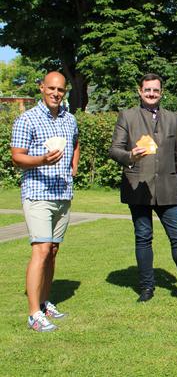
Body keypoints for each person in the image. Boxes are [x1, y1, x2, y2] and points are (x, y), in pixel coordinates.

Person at [109, 73, 177, 302]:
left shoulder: (173, 118)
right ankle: (147, 287)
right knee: (143, 237)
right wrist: (130, 155)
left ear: (161, 92)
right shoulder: (127, 116)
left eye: (155, 90)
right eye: (147, 90)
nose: (151, 94)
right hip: (138, 187)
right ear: (140, 91)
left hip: (168, 189)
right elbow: (114, 150)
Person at [11, 71, 80, 332]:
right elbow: (17, 157)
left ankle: (43, 301)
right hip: (37, 193)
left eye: (60, 90)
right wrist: (41, 160)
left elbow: (75, 143)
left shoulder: (69, 119)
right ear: (41, 88)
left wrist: (73, 165)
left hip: (62, 194)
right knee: (40, 249)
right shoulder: (26, 119)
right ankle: (33, 315)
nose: (56, 93)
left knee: (52, 250)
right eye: (51, 88)